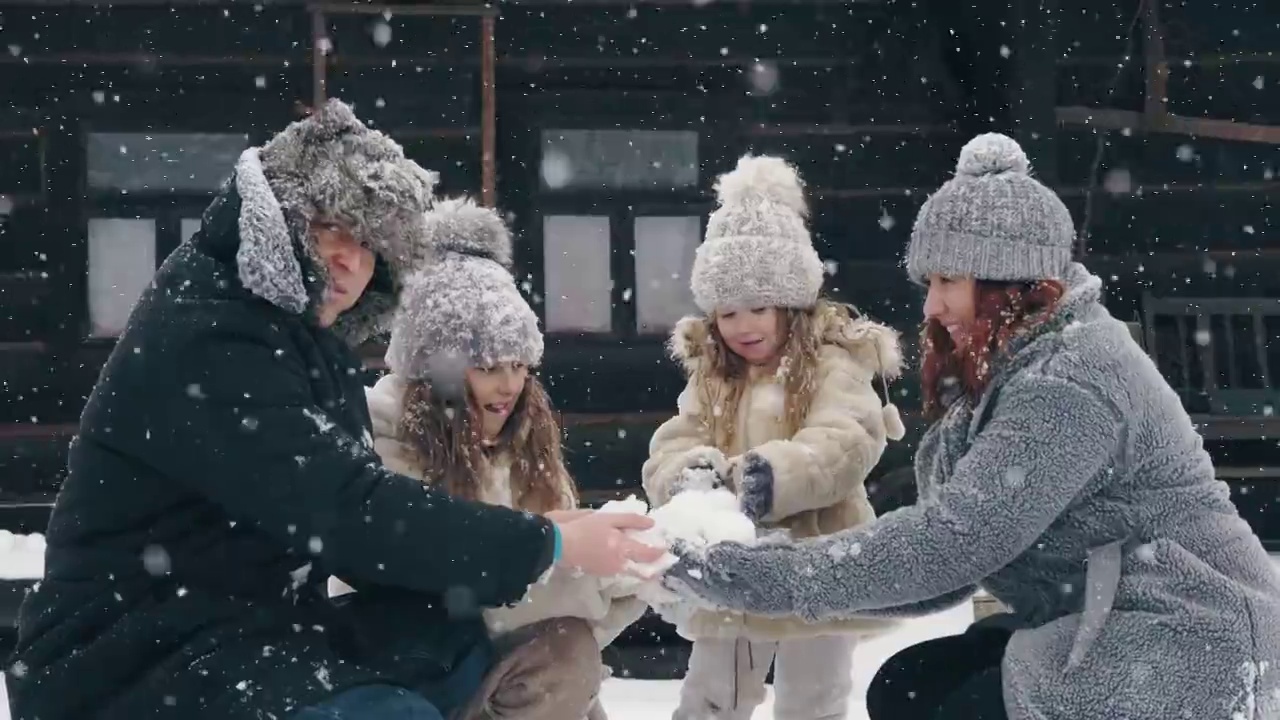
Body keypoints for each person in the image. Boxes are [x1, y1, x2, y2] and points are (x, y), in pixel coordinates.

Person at [5, 99, 661, 720]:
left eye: (367, 239)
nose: (349, 257)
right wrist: (542, 543)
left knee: (458, 641)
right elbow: (348, 511)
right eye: (326, 230)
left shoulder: (308, 345)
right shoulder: (210, 334)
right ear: (274, 223)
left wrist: (547, 541)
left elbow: (361, 540)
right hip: (126, 652)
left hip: (252, 626)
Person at [659, 133, 1280, 720]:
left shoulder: (1073, 377)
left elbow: (955, 542)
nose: (930, 305)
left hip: (1196, 640)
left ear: (1009, 283)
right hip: (1107, 617)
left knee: (961, 708)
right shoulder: (1016, 365)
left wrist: (750, 575)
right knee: (910, 686)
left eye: (947, 281)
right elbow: (951, 563)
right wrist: (761, 571)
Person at [331, 196, 650, 719]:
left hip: (496, 679)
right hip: (409, 682)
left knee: (570, 652)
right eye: (485, 366)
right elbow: (461, 595)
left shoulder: (528, 443)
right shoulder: (385, 440)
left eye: (518, 363)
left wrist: (629, 575)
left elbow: (564, 635)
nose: (508, 385)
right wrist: (590, 569)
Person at [642, 155, 906, 720]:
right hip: (736, 559)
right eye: (728, 312)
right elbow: (677, 436)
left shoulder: (834, 362)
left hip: (822, 558)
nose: (744, 326)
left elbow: (846, 439)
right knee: (714, 692)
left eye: (759, 307)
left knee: (813, 698)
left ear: (792, 302)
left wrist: (770, 476)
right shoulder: (715, 375)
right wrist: (689, 475)